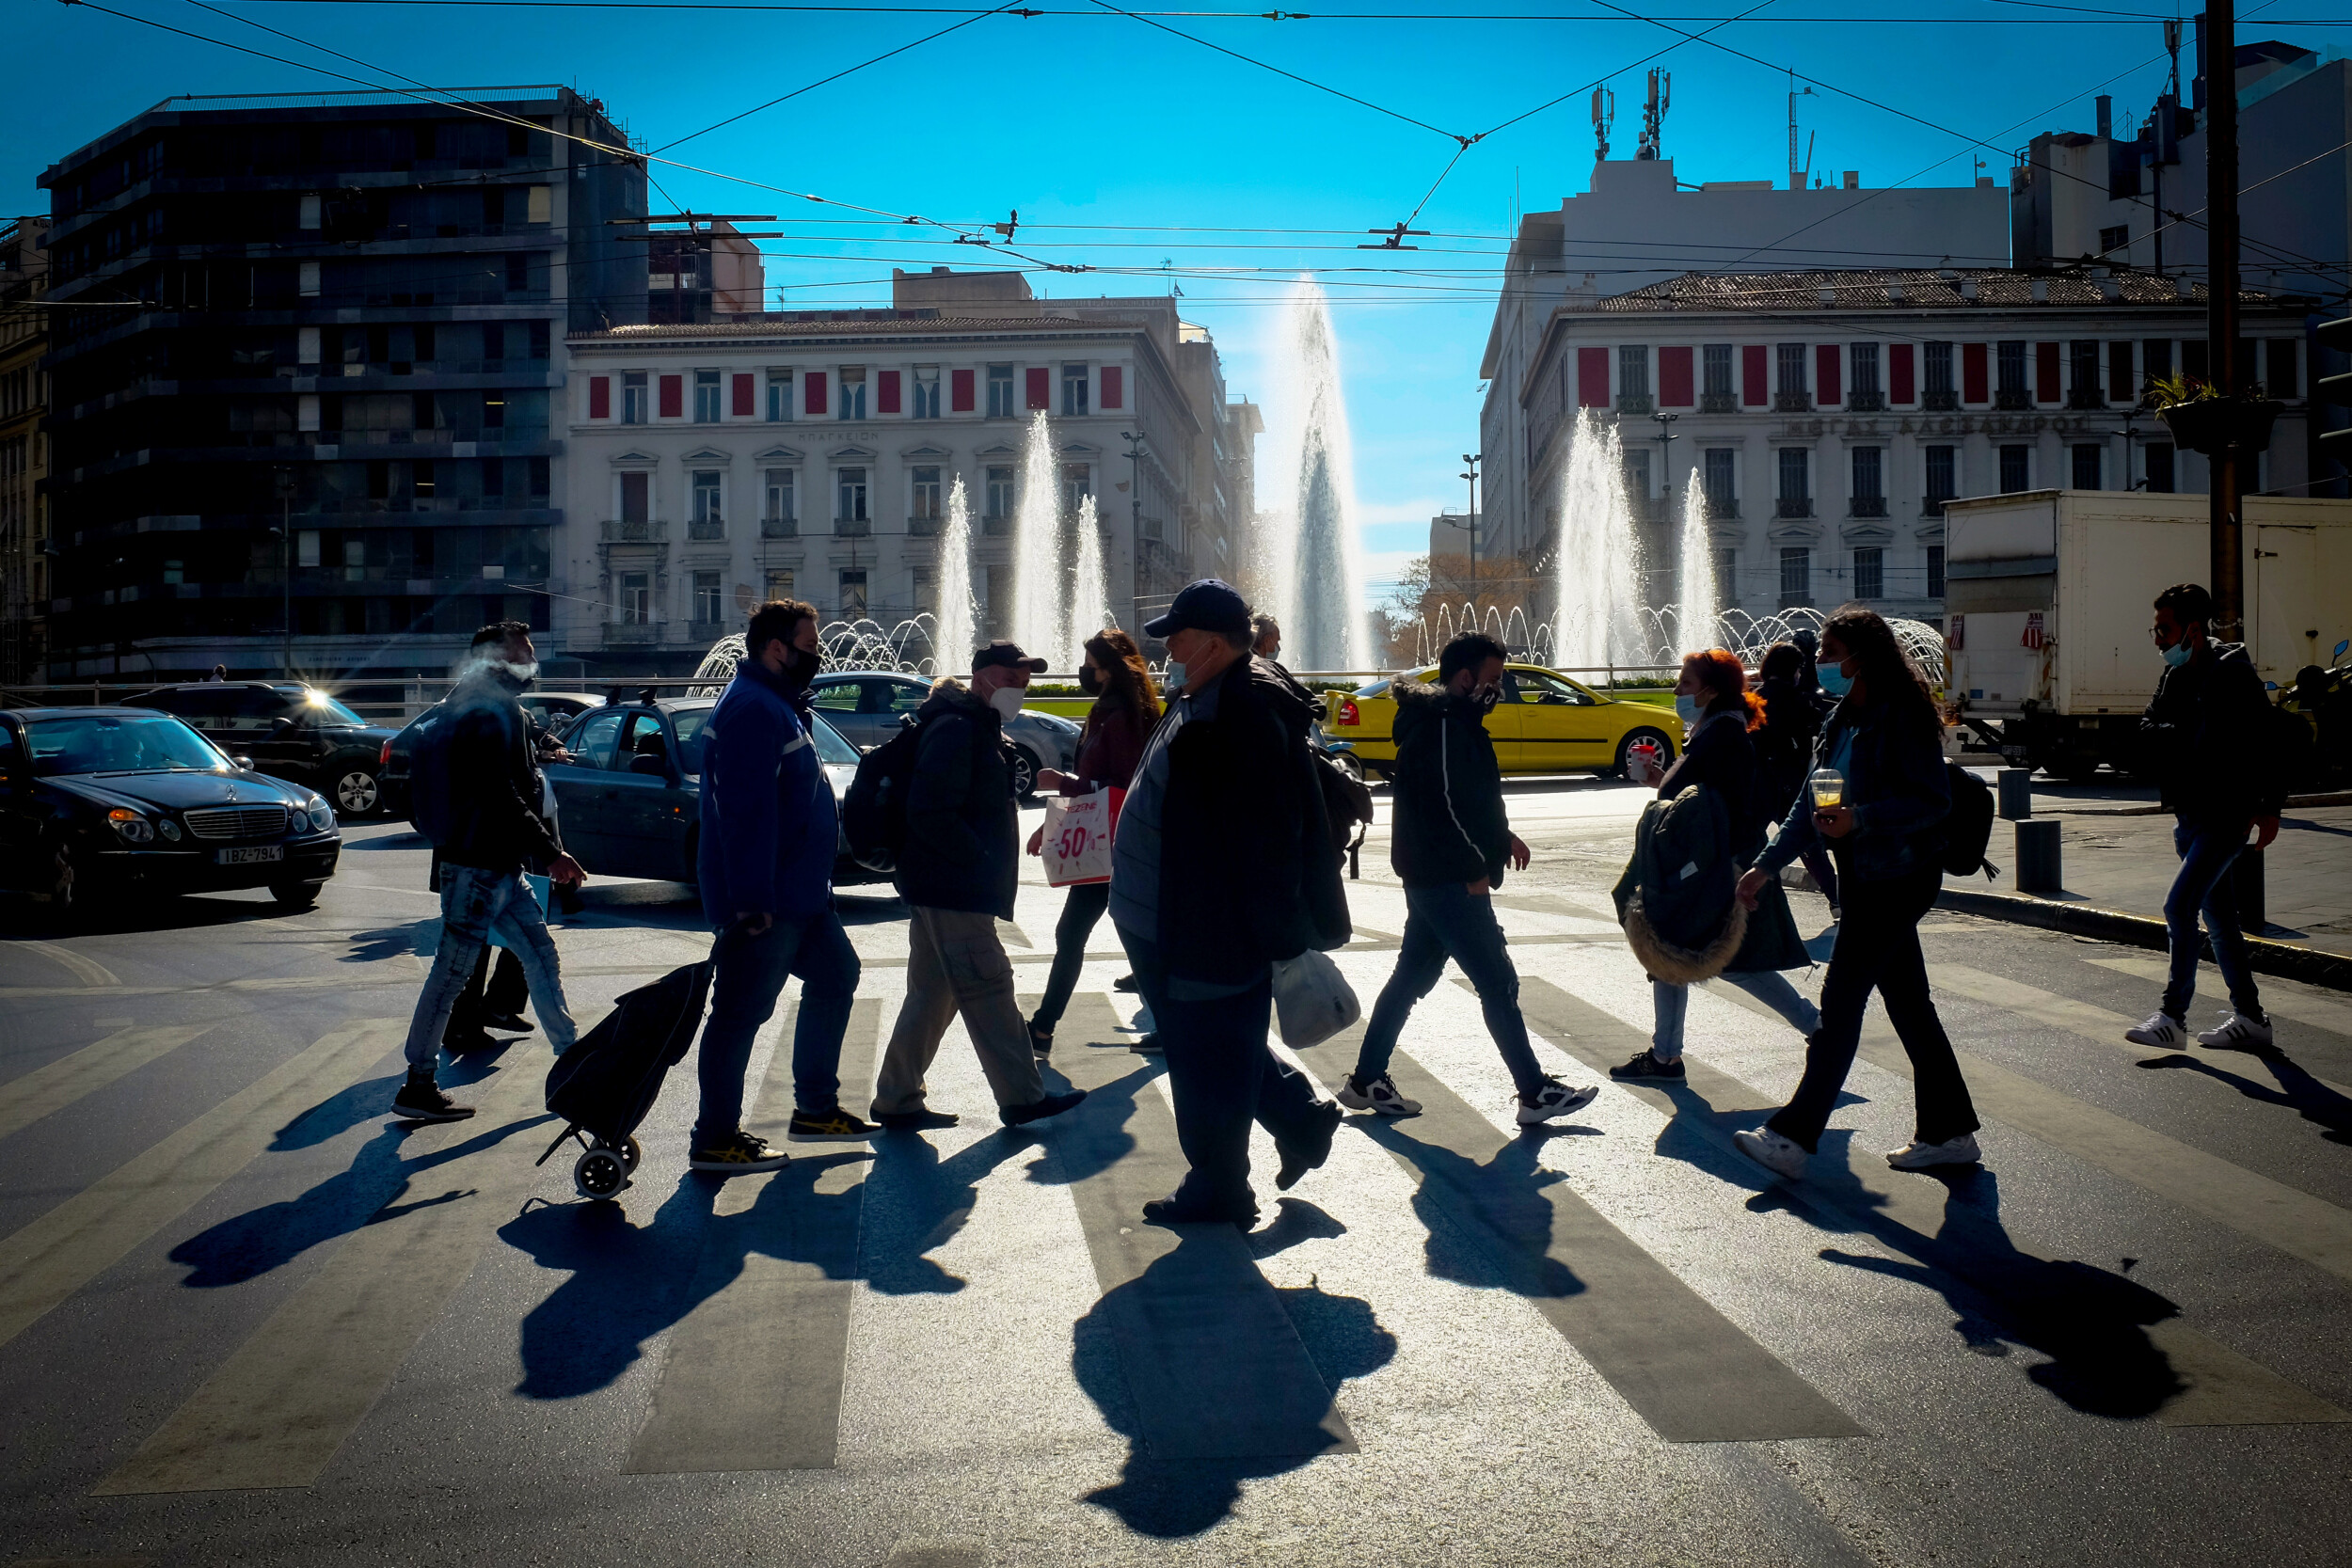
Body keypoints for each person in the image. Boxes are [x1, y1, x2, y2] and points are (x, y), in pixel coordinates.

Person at [1110, 578, 1350, 1226]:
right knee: (1217, 1042)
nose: (1167, 644)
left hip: (1200, 925)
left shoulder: (1237, 714)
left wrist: (1259, 937)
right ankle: (1301, 1122)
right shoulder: (1208, 695)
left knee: (1203, 1059)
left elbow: (1262, 839)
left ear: (1213, 642)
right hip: (1172, 916)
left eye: (1178, 634)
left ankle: (1220, 1188)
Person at [1730, 606, 1981, 1178]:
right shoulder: (1841, 718)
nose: (1820, 662)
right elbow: (1809, 803)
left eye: (1828, 652)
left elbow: (1932, 802)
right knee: (1910, 1005)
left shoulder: (1905, 717)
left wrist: (1861, 819)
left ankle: (1793, 1137)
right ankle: (1950, 1132)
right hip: (1864, 876)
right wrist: (1766, 867)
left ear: (1860, 658)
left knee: (1840, 1003)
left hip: (1899, 877)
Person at [1332, 631, 1600, 1125]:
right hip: (1449, 878)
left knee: (1412, 976)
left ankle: (1366, 1079)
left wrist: (1502, 837)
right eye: (1493, 679)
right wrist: (1477, 867)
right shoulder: (1443, 727)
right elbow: (1446, 808)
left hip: (1433, 874)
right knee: (1497, 982)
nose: (1499, 688)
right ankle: (1533, 1092)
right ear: (1464, 678)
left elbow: (1465, 801)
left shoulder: (1451, 721)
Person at [689, 599, 877, 1175]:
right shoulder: (753, 710)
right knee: (740, 1013)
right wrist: (750, 902)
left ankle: (815, 1108)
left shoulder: (778, 704)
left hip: (802, 895)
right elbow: (743, 816)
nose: (818, 655)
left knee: (837, 974)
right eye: (810, 645)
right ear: (777, 649)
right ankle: (715, 1137)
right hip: (769, 900)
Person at [870, 641, 1089, 1132]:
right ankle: (1022, 1097)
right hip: (953, 888)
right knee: (990, 986)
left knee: (932, 993)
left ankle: (896, 1098)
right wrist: (979, 858)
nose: (1020, 689)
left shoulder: (972, 725)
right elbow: (930, 811)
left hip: (936, 884)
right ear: (983, 678)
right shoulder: (958, 729)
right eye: (1013, 679)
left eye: (1025, 682)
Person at [393, 622, 584, 1122]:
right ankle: (418, 1083)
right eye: (524, 654)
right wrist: (551, 853)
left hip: (498, 867)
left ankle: (573, 1060)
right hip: (475, 869)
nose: (533, 662)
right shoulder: (485, 711)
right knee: (451, 975)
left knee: (540, 956)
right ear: (495, 659)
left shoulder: (489, 704)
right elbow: (500, 793)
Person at [1613, 649, 1820, 1081]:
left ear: (1710, 689)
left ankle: (1818, 1027)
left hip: (1711, 868)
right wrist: (1661, 781)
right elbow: (1698, 795)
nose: (1677, 691)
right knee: (1670, 949)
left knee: (1715, 958)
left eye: (1685, 684)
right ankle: (1665, 1055)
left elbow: (1717, 805)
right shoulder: (1714, 730)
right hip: (1705, 863)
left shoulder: (1723, 735)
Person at [2124, 582, 2285, 1052]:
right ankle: (2251, 1018)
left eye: (2164, 629)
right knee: (2219, 920)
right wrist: (2188, 734)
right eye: (2155, 629)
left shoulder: (2233, 675)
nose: (2157, 639)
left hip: (2226, 814)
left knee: (2179, 907)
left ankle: (2173, 1017)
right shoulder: (2175, 676)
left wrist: (2269, 807)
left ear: (2192, 629)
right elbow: (2147, 728)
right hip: (2191, 813)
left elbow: (2269, 741)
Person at [1025, 628, 1159, 1055]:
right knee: (1112, 933)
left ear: (1110, 670)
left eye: (1091, 666)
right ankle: (1043, 1027)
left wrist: (1064, 782)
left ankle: (1044, 1027)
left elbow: (1124, 784)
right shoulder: (1111, 710)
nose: (1085, 672)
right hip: (1107, 840)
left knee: (1083, 933)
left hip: (1114, 842)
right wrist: (1050, 826)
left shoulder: (1123, 717)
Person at [1754, 641, 1839, 920]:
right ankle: (1836, 899)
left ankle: (1743, 899)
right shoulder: (1800, 699)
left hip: (1760, 780)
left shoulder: (1755, 698)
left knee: (1748, 839)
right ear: (1795, 670)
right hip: (1793, 780)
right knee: (1807, 844)